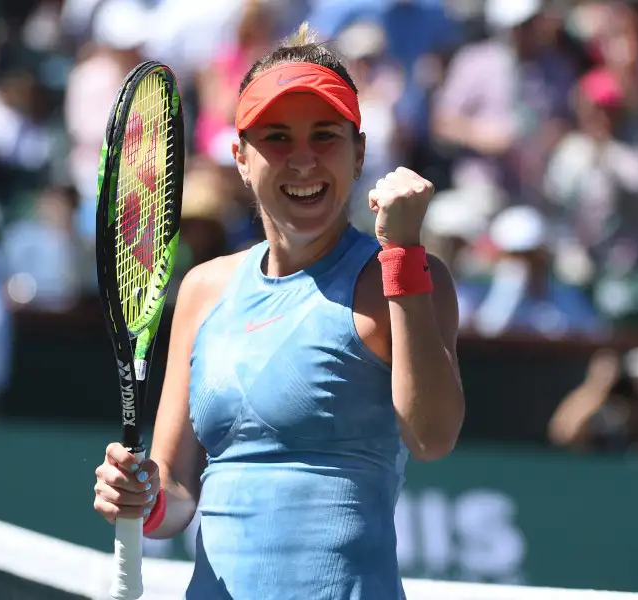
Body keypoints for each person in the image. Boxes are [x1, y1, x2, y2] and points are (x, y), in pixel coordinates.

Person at [93, 24, 465, 599]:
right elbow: (175, 499)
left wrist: (405, 256)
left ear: (359, 151)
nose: (302, 161)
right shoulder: (202, 290)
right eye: (277, 138)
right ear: (241, 157)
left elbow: (433, 436)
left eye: (324, 137)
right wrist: (141, 498)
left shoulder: (405, 276)